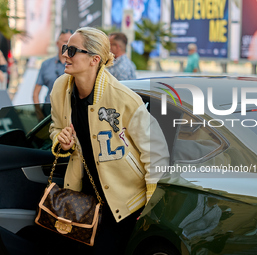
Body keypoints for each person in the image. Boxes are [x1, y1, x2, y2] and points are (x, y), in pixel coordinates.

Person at [49, 27, 169, 254]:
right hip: (80, 198)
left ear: (95, 59)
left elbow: (156, 154)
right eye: (66, 48)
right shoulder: (60, 88)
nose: (65, 54)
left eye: (72, 50)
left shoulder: (123, 99)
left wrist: (149, 208)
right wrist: (62, 142)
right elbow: (55, 127)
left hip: (124, 204)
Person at [32, 30, 72, 104]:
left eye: (70, 42)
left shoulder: (76, 64)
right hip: (50, 109)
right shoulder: (46, 64)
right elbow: (35, 93)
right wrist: (39, 113)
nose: (67, 45)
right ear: (57, 43)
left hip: (70, 110)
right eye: (65, 41)